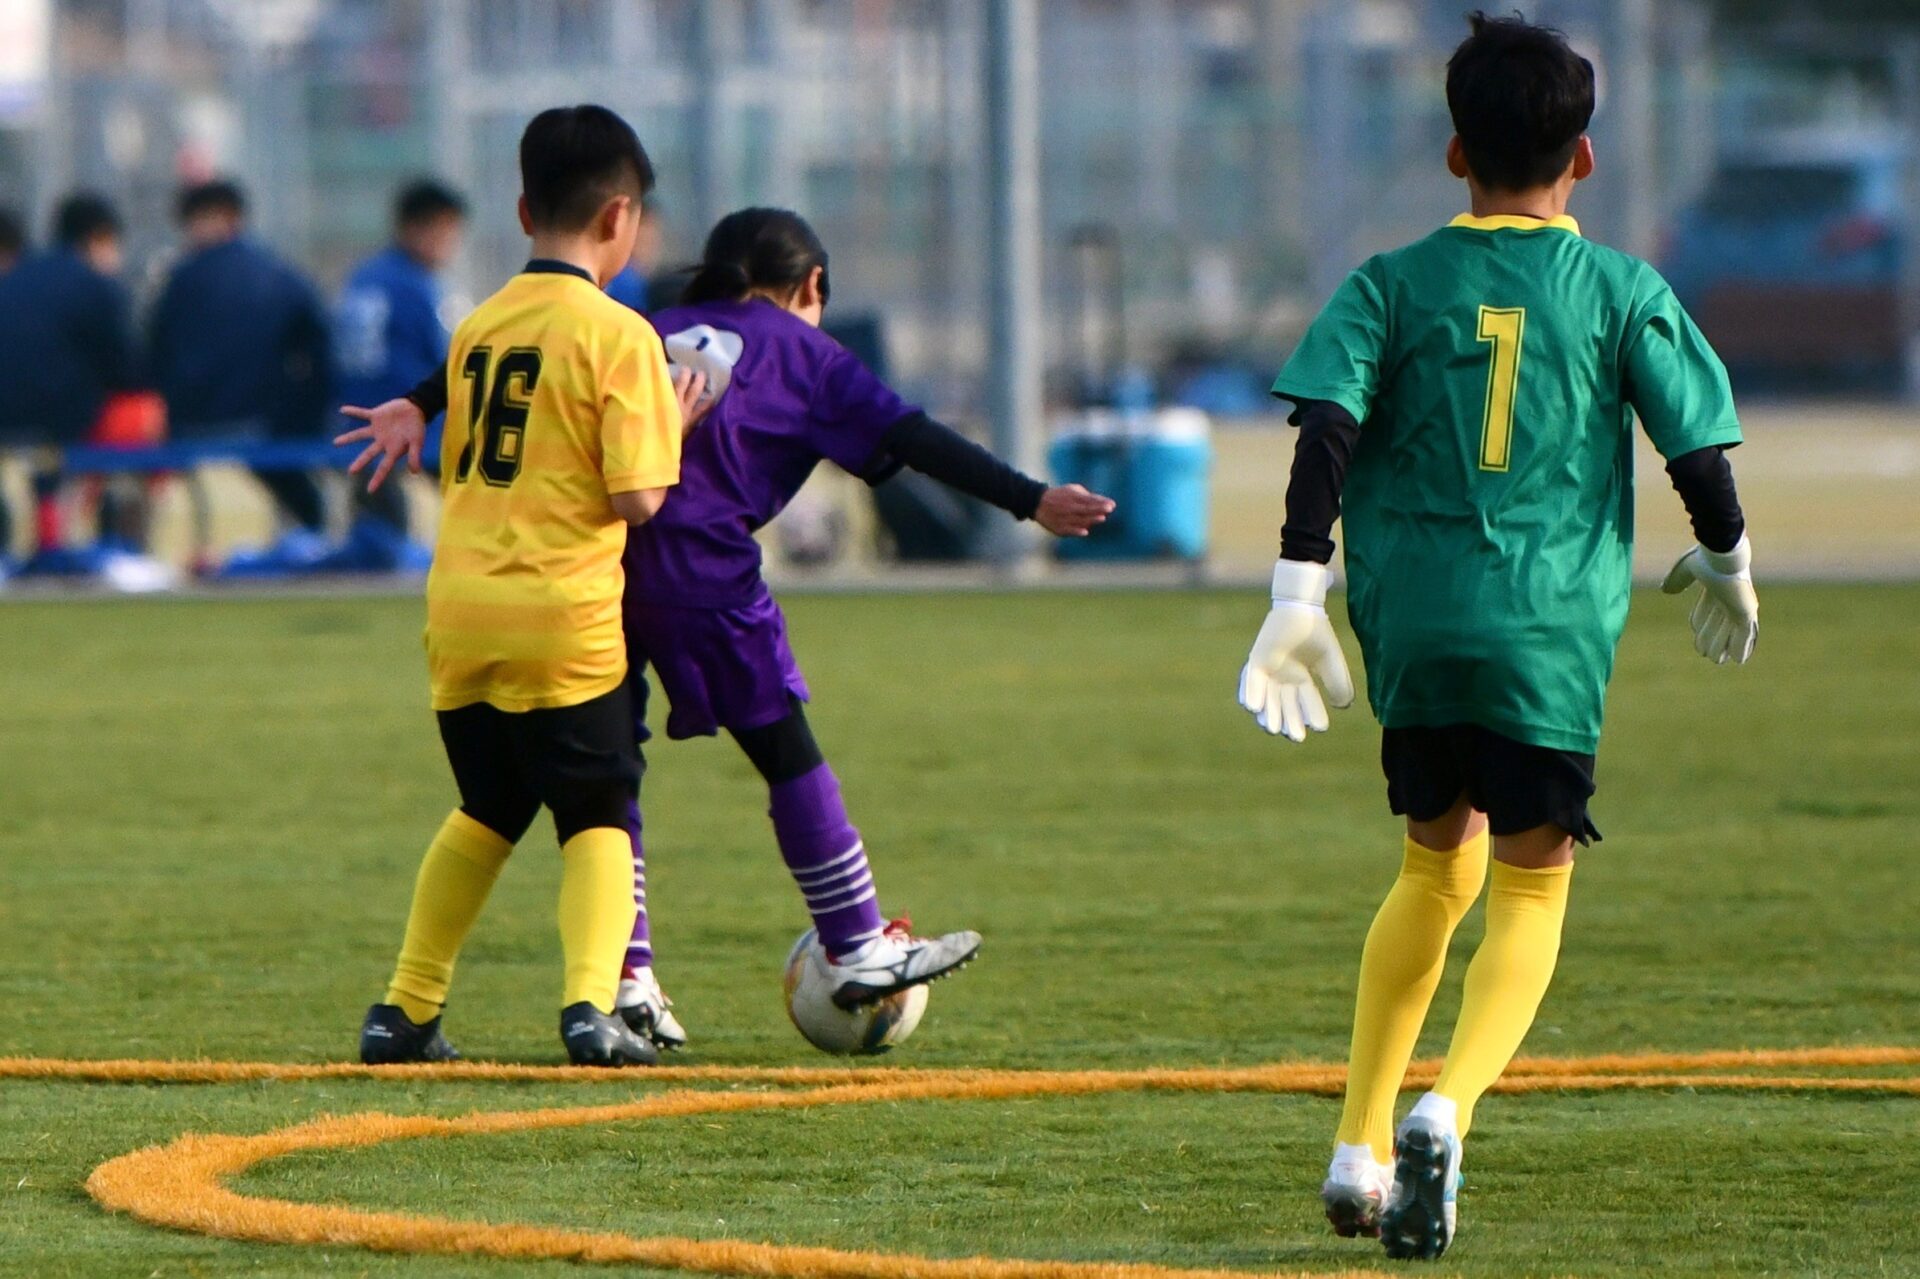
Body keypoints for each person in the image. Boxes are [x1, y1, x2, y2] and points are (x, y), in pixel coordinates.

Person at [1235, 13, 1758, 1261]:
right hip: (1546, 628)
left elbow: (1326, 432)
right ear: (1584, 158)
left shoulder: (1388, 282)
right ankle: (1448, 1107)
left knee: (1432, 866)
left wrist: (1296, 593)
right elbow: (1696, 451)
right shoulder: (1621, 289)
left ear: (1454, 151)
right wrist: (1729, 558)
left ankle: (1357, 1143)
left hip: (1416, 624)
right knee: (1531, 881)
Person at [358, 207, 1115, 1050]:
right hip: (703, 573)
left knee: (609, 782)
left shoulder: (647, 324)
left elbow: (517, 358)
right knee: (783, 746)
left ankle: (628, 978)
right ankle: (855, 941)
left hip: (604, 572)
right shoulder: (806, 354)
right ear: (812, 285)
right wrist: (1030, 499)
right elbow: (916, 438)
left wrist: (420, 402)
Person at [340, 105, 697, 1068]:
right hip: (560, 614)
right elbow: (637, 497)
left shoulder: (479, 324)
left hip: (461, 610)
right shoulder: (620, 334)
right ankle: (590, 1007)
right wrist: (677, 421)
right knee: (598, 808)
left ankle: (404, 1009)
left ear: (524, 209)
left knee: (489, 805)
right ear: (620, 218)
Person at [148, 179, 335, 571]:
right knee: (308, 503)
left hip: (191, 429)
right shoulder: (278, 274)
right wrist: (305, 420)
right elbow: (320, 354)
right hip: (267, 428)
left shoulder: (179, 281)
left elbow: (154, 357)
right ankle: (308, 554)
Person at [330, 178, 468, 569]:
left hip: (355, 423)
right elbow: (445, 360)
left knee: (378, 525)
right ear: (416, 228)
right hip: (410, 420)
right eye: (445, 232)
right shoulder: (417, 287)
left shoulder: (363, 278)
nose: (450, 244)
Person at [0, 194, 142, 573]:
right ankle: (120, 541)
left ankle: (47, 538)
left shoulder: (17, 278)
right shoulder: (96, 287)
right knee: (137, 416)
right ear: (99, 238)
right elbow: (127, 371)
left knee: (44, 459)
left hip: (9, 417)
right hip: (62, 420)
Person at [603, 194, 662, 313]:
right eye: (643, 228)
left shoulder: (637, 280)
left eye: (654, 230)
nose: (651, 238)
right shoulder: (625, 282)